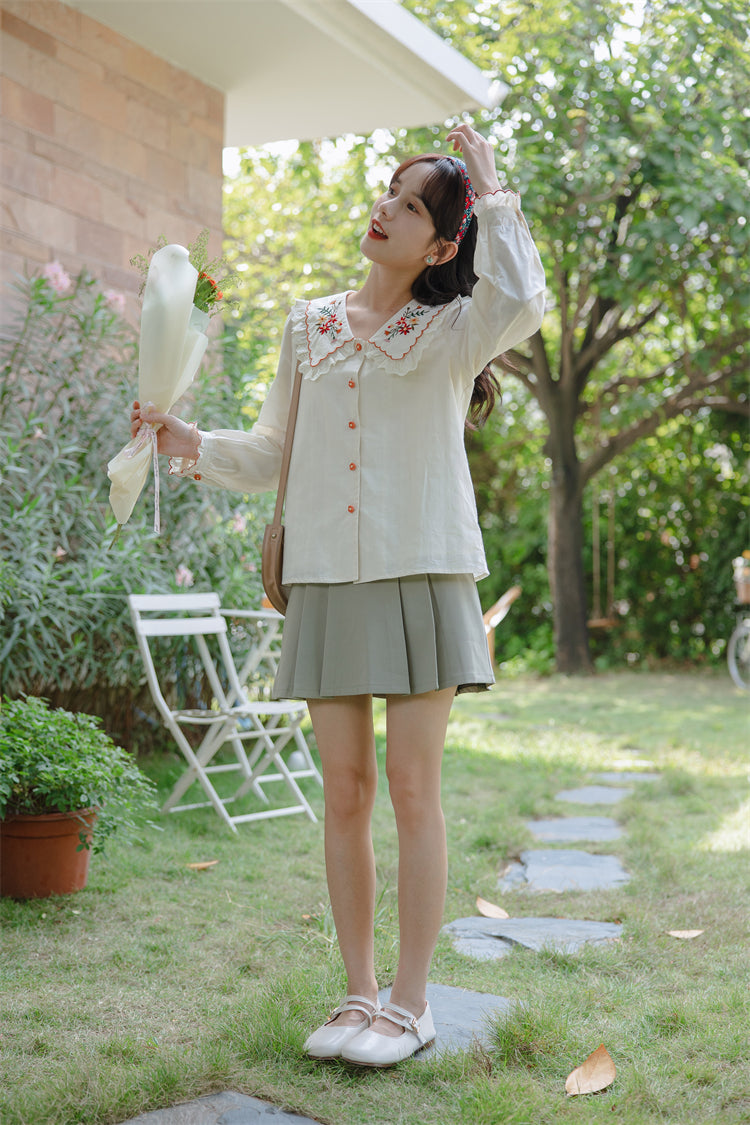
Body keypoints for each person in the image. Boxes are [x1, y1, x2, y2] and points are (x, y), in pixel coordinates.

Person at [130, 123, 545, 1068]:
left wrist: (487, 184)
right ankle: (357, 993)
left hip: (423, 568)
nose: (385, 209)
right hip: (326, 573)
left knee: (412, 789)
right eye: (387, 192)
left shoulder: (456, 326)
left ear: (443, 244)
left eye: (411, 205)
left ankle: (411, 1003)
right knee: (347, 792)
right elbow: (279, 449)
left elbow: (523, 294)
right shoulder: (308, 324)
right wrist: (188, 440)